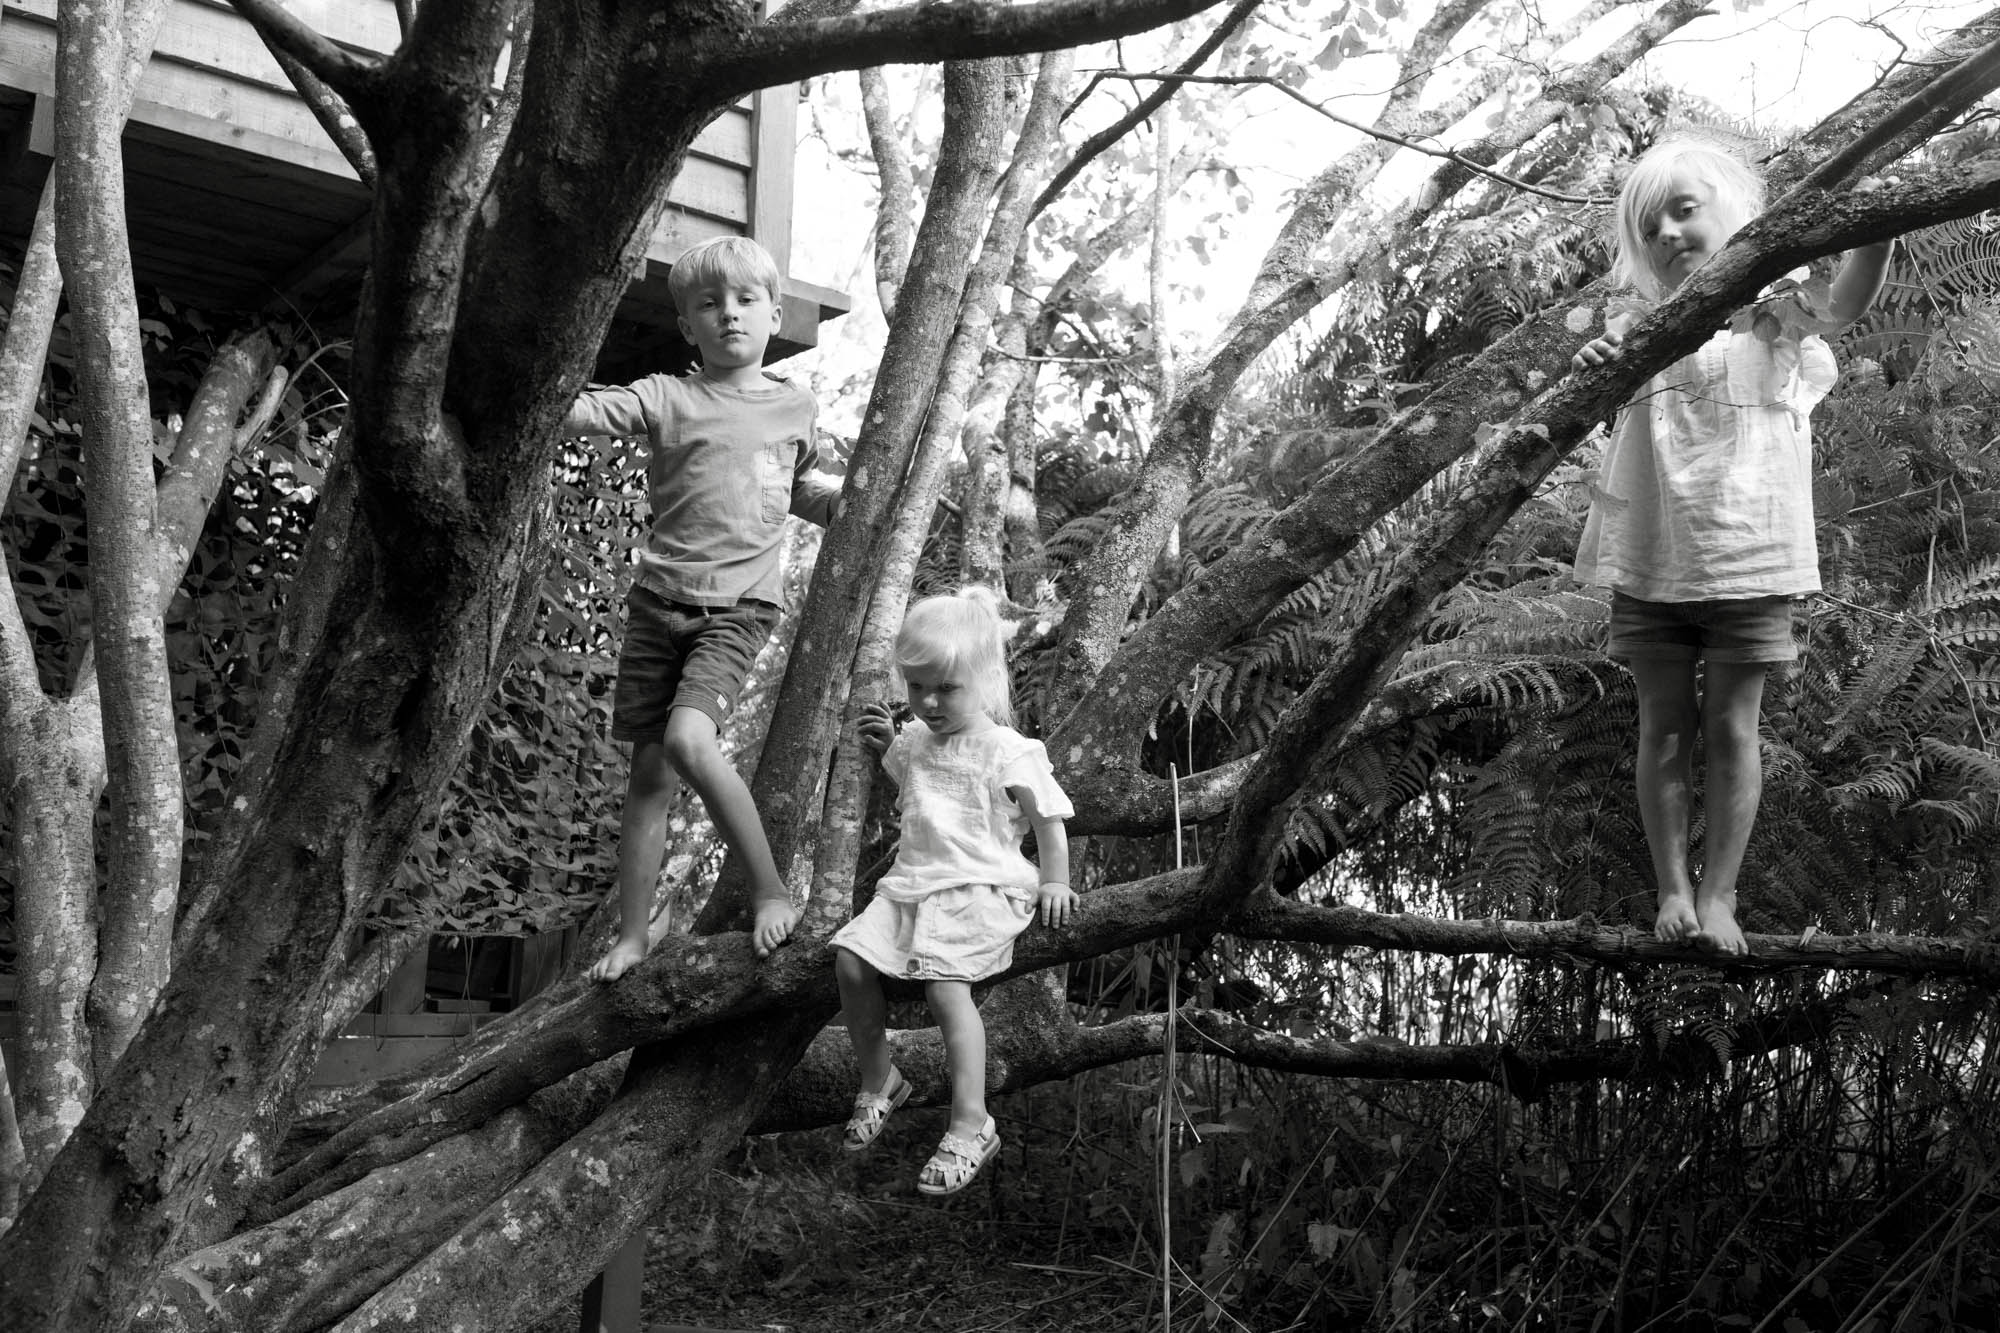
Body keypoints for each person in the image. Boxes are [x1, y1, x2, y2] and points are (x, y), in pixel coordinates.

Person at [1570, 138, 1892, 955]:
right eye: (1652, 226)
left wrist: (1879, 229)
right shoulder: (1639, 329)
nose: (1670, 232)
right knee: (1664, 725)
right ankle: (1672, 888)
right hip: (1653, 554)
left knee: (1733, 726)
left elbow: (1846, 303)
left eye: (1686, 210)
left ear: (1733, 214)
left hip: (1749, 555)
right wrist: (1598, 359)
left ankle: (1720, 896)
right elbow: (1594, 383)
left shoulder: (1774, 316)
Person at [572, 235, 840, 981]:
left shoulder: (795, 407)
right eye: (708, 305)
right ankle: (632, 934)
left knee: (691, 742)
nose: (729, 316)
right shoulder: (668, 395)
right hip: (659, 603)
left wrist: (854, 501)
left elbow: (799, 490)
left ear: (774, 314)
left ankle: (769, 889)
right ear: (687, 325)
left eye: (746, 301)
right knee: (649, 777)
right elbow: (593, 411)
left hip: (738, 608)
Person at [832, 588, 1077, 1195]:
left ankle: (972, 1121)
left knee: (947, 989)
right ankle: (879, 1077)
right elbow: (919, 785)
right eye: (917, 688)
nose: (930, 702)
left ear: (985, 678)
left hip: (981, 888)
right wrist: (887, 743)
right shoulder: (915, 739)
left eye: (946, 688)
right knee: (850, 961)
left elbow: (1048, 821)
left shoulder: (1008, 750)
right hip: (911, 888)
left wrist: (1056, 880)